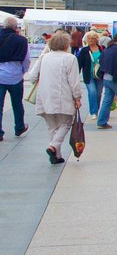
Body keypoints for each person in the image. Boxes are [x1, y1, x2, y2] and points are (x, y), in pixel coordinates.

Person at [24, 31, 82, 164]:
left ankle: (57, 154)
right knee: (66, 122)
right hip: (63, 95)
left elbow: (33, 76)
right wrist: (77, 97)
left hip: (44, 95)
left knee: (52, 126)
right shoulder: (70, 58)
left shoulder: (45, 57)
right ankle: (53, 146)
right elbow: (74, 81)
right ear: (67, 44)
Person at [0, 16, 30, 140]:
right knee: (17, 103)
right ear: (15, 27)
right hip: (15, 76)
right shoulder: (22, 40)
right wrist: (22, 71)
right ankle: (19, 127)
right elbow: (26, 60)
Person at [76, 31, 104, 120]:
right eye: (89, 39)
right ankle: (93, 112)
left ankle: (96, 109)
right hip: (89, 75)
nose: (91, 40)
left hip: (99, 75)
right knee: (92, 92)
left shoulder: (102, 49)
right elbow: (79, 63)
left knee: (98, 93)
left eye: (93, 38)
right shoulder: (84, 50)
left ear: (96, 39)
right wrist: (76, 73)